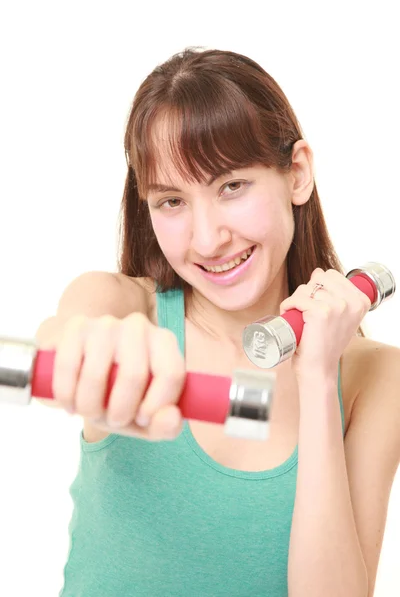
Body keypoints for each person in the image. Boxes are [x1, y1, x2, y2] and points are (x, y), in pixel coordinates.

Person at [36, 48, 400, 597]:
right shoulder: (118, 304)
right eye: (172, 201)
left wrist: (319, 377)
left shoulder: (379, 379)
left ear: (296, 174)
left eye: (231, 186)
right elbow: (70, 332)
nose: (207, 240)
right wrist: (88, 349)